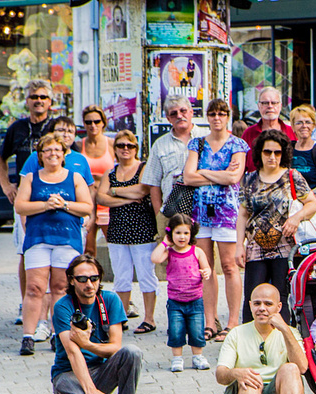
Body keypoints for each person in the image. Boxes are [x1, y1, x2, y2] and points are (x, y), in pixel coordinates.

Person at [50, 255, 144, 394]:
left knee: (132, 352)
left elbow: (115, 347)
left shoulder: (110, 300)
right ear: (71, 280)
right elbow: (72, 351)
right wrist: (90, 391)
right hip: (68, 372)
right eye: (82, 279)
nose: (89, 284)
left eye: (94, 278)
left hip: (100, 369)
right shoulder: (63, 306)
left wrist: (87, 344)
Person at [16, 133, 92, 357]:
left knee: (60, 287)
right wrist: (44, 205)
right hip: (38, 238)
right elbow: (20, 206)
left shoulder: (74, 177)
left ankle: (59, 334)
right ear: (40, 155)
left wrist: (65, 205)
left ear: (63, 154)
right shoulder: (31, 178)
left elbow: (87, 207)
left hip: (67, 240)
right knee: (35, 288)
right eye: (47, 150)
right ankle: (28, 336)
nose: (52, 154)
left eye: (57, 150)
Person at [236, 129, 316, 322]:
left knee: (281, 295)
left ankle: (282, 339)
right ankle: (252, 340)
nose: (272, 157)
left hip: (285, 246)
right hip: (256, 247)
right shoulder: (250, 179)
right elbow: (242, 214)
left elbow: (313, 204)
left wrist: (296, 218)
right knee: (253, 295)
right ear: (260, 153)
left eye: (277, 152)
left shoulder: (292, 176)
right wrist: (239, 244)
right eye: (267, 152)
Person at [183, 98, 248, 340]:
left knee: (230, 266)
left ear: (227, 116)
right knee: (205, 268)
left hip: (227, 212)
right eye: (212, 114)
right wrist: (218, 175)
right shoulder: (197, 143)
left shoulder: (237, 144)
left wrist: (204, 172)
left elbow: (234, 178)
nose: (217, 118)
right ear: (207, 117)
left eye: (221, 113)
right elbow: (188, 177)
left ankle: (232, 322)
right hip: (200, 212)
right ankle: (209, 321)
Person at [217, 283, 308, 394]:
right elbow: (220, 374)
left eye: (268, 304)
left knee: (291, 369)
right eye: (257, 303)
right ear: (250, 305)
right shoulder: (236, 334)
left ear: (279, 307)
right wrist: (236, 373)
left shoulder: (290, 333)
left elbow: (302, 367)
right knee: (251, 375)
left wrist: (284, 330)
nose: (262, 309)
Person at [0, 79, 54, 326]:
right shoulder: (17, 128)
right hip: (25, 197)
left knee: (54, 253)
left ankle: (51, 309)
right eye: (34, 97)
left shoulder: (57, 127)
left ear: (50, 101)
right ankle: (26, 304)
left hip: (54, 195)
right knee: (26, 252)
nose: (38, 100)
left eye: (42, 96)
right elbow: (1, 157)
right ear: (27, 101)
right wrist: (6, 185)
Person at [97, 130, 159, 335]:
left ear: (136, 148)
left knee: (145, 275)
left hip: (142, 230)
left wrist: (115, 190)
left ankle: (149, 318)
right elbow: (101, 198)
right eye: (121, 145)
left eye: (129, 146)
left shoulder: (143, 167)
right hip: (117, 231)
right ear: (114, 149)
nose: (125, 149)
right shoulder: (110, 172)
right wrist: (127, 197)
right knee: (121, 276)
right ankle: (121, 316)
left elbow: (142, 190)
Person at [149, 214, 212, 372]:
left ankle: (198, 356)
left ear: (191, 234)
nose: (182, 237)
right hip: (175, 301)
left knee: (197, 330)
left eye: (186, 233)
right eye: (178, 233)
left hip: (195, 300)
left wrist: (206, 272)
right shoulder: (169, 252)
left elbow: (207, 267)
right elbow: (155, 258)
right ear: (171, 234)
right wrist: (164, 242)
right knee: (176, 331)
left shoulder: (196, 251)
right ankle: (177, 358)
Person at [141, 95, 207, 234]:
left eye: (183, 111)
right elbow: (153, 183)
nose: (179, 115)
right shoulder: (160, 144)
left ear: (191, 112)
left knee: (203, 255)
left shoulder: (207, 137)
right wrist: (160, 215)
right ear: (168, 118)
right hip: (172, 213)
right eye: (174, 113)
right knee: (171, 255)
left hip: (203, 211)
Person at [79, 105, 115, 257]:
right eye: (88, 122)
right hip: (87, 200)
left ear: (103, 122)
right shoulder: (79, 145)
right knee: (88, 249)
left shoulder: (112, 144)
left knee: (114, 246)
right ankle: (90, 279)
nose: (93, 125)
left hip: (107, 200)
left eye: (96, 121)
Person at [241, 87, 295, 173]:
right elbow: (241, 168)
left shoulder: (292, 133)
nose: (270, 106)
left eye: (274, 103)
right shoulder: (248, 134)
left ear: (280, 106)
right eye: (265, 103)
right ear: (259, 106)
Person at [288, 105, 316, 193]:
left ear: (313, 126)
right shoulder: (289, 148)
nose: (304, 126)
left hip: (314, 200)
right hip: (292, 200)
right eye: (299, 123)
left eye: (308, 122)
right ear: (293, 126)